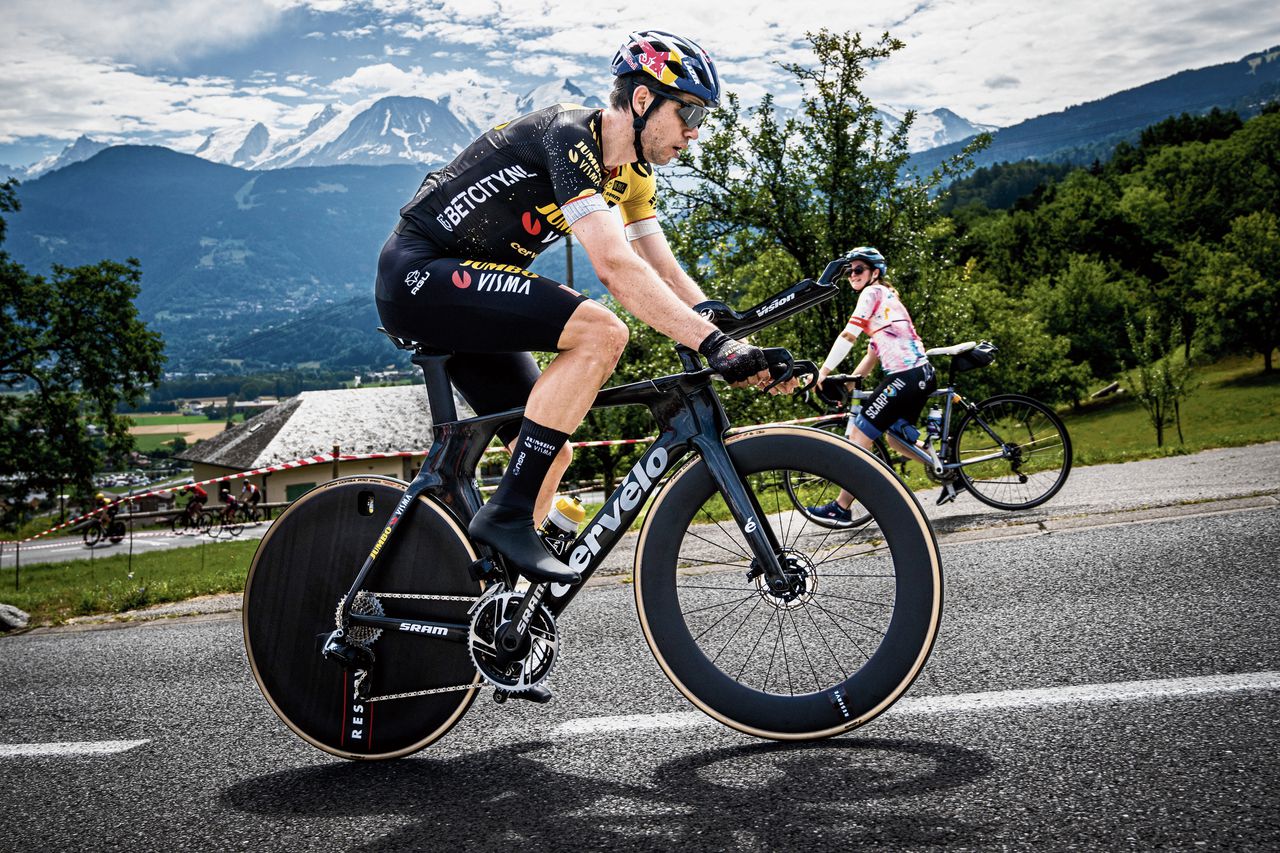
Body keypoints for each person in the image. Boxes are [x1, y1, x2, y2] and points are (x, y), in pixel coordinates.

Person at [376, 30, 785, 589]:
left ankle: (486, 602)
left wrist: (725, 328)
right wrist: (713, 347)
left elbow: (661, 270)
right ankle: (507, 515)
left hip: (466, 298)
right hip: (419, 277)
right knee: (599, 331)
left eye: (702, 117)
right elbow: (615, 268)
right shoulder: (570, 136)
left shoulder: (634, 175)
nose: (695, 131)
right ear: (642, 101)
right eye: (688, 111)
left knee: (546, 455)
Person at [808, 247, 941, 523]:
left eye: (859, 269)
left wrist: (823, 371)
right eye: (849, 271)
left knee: (858, 436)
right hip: (922, 374)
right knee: (895, 437)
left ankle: (841, 508)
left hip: (904, 377)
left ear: (875, 273)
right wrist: (851, 381)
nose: (852, 275)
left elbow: (848, 334)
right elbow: (872, 354)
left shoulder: (872, 293)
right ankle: (940, 465)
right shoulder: (887, 298)